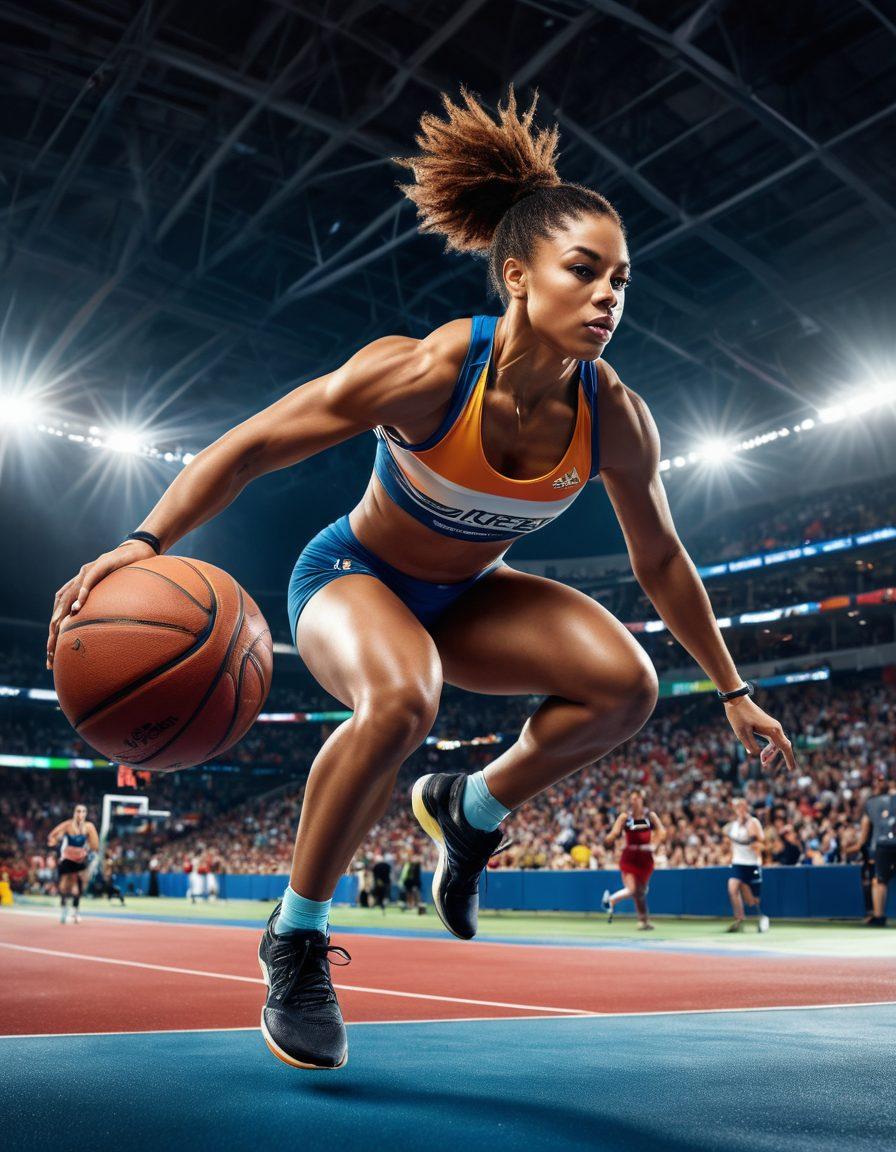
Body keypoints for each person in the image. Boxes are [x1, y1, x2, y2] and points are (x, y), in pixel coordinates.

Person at [46, 87, 796, 1072]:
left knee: (627, 689)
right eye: (584, 271)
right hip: (350, 576)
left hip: (466, 598)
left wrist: (734, 688)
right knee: (402, 698)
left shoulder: (616, 419)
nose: (609, 296)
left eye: (620, 277)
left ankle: (468, 809)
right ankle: (296, 935)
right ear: (519, 277)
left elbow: (658, 559)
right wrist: (142, 542)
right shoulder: (427, 372)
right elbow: (251, 446)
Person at [602, 790, 665, 929]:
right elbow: (614, 833)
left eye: (636, 798)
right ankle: (610, 900)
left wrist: (655, 844)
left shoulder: (650, 816)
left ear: (642, 799)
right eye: (631, 799)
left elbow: (662, 831)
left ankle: (643, 921)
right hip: (629, 858)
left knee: (641, 891)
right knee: (634, 889)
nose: (633, 801)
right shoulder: (625, 817)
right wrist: (609, 839)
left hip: (646, 859)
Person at [47, 803, 99, 924]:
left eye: (83, 811)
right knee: (64, 886)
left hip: (80, 859)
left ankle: (75, 912)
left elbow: (95, 845)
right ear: (74, 813)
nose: (80, 814)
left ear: (86, 813)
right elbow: (52, 835)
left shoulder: (89, 827)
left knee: (77, 887)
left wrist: (90, 849)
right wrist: (54, 841)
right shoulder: (67, 825)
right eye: (78, 811)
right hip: (67, 859)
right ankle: (64, 910)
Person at [724, 797, 770, 933]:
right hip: (738, 863)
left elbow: (762, 842)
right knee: (732, 888)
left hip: (752, 864)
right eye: (738, 808)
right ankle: (739, 919)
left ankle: (763, 918)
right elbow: (730, 842)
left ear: (747, 808)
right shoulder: (733, 825)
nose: (741, 810)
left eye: (743, 807)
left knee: (752, 901)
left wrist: (755, 843)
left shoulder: (753, 822)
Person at [858, 774, 896, 927]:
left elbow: (864, 831)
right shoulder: (874, 802)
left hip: (881, 845)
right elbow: (865, 828)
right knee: (879, 881)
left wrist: (859, 845)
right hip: (882, 845)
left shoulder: (870, 803)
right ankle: (878, 915)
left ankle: (879, 916)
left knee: (880, 880)